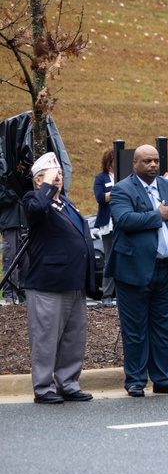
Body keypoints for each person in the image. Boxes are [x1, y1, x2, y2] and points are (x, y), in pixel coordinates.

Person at [107, 144, 168, 397]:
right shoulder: (122, 189)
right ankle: (135, 380)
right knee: (135, 329)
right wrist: (157, 216)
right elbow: (123, 220)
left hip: (167, 270)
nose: (153, 165)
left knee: (165, 328)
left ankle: (164, 379)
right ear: (135, 164)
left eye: (156, 161)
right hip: (133, 270)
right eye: (146, 161)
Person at [22, 153, 97, 404]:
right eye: (54, 175)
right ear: (39, 179)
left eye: (61, 174)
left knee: (73, 337)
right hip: (48, 283)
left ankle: (68, 383)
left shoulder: (66, 203)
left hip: (74, 282)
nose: (59, 179)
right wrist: (46, 187)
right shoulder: (34, 199)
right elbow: (35, 211)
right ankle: (43, 388)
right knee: (45, 337)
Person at [1, 149, 27, 306]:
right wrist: (15, 191)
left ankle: (24, 297)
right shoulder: (3, 170)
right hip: (10, 222)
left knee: (26, 262)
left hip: (25, 221)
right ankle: (9, 297)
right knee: (10, 260)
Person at [92, 147, 116, 306]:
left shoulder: (126, 176)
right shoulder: (101, 178)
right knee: (109, 259)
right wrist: (118, 190)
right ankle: (107, 295)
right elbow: (100, 197)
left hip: (123, 222)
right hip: (108, 223)